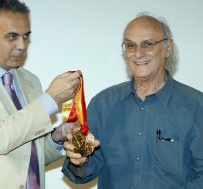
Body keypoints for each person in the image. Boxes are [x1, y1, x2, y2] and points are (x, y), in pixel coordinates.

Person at [0, 0, 81, 189]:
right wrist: (50, 99)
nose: (22, 45)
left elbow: (25, 156)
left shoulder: (30, 80)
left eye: (26, 36)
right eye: (12, 36)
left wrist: (56, 137)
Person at [62, 14, 203, 189]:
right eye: (130, 45)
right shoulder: (103, 104)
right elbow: (83, 173)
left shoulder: (197, 106)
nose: (138, 53)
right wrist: (79, 162)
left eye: (148, 44)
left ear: (168, 48)